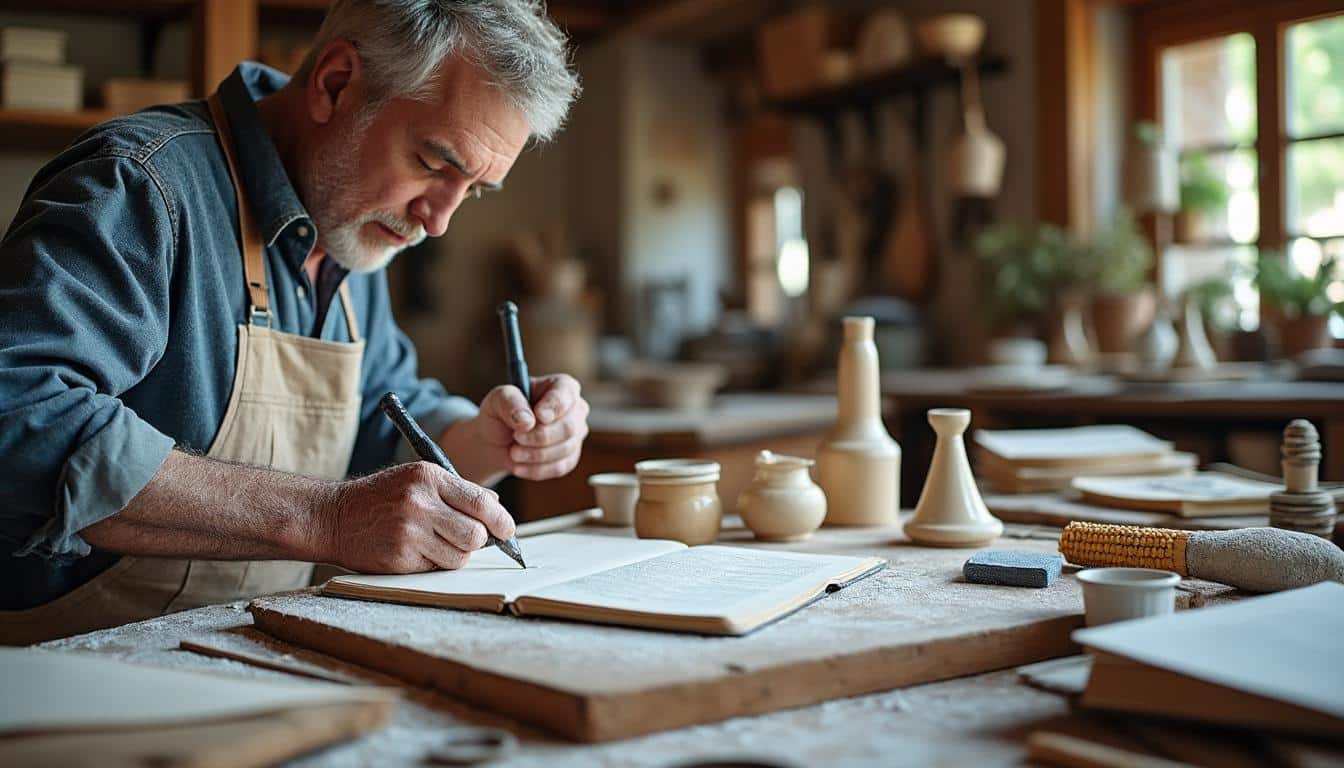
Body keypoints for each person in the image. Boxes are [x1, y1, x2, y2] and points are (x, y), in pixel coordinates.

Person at [0, 0, 585, 644]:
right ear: (335, 84)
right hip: (70, 664)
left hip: (248, 651)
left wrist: (486, 439)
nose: (439, 220)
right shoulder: (140, 186)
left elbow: (382, 416)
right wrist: (325, 519)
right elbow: (19, 414)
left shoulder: (353, 227)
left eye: (472, 189)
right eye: (432, 163)